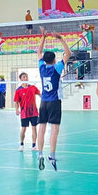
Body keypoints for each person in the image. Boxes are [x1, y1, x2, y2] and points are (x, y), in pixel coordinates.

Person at [36, 28, 71, 171]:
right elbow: (68, 54)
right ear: (54, 59)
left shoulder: (41, 68)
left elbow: (38, 52)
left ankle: (39, 154)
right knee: (55, 129)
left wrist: (43, 37)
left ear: (45, 60)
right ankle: (51, 154)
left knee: (42, 128)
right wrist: (60, 38)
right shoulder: (57, 68)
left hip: (43, 102)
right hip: (54, 102)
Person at [14, 72, 41, 150]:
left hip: (33, 112)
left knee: (34, 128)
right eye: (24, 77)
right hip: (24, 113)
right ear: (21, 79)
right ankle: (22, 144)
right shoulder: (18, 90)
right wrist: (16, 109)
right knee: (23, 129)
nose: (25, 78)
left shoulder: (33, 87)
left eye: (26, 77)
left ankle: (34, 145)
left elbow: (40, 94)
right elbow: (16, 102)